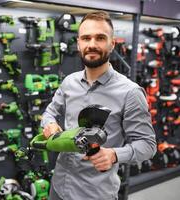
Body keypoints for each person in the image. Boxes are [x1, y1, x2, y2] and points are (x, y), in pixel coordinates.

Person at [41, 11, 157, 200]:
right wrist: (49, 124)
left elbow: (148, 145)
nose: (92, 44)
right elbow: (49, 113)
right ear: (79, 43)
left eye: (100, 38)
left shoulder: (130, 92)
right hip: (59, 188)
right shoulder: (69, 83)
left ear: (112, 44)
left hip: (94, 194)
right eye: (86, 38)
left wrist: (113, 154)